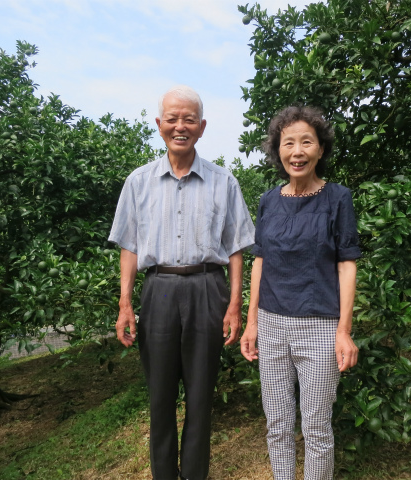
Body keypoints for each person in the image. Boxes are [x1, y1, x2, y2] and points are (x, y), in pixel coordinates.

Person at [109, 85, 255, 480]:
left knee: (200, 396)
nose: (180, 126)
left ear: (202, 126)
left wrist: (234, 305)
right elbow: (129, 247)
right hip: (159, 290)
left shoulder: (224, 182)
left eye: (189, 119)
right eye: (172, 119)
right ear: (159, 125)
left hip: (208, 288)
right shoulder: (138, 182)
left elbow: (238, 247)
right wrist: (125, 303)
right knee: (159, 396)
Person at [240, 105, 362, 480]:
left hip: (321, 328)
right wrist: (251, 322)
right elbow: (260, 262)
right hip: (272, 325)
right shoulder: (268, 201)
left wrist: (344, 330)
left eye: (306, 142)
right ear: (278, 150)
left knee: (316, 428)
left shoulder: (338, 199)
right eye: (288, 143)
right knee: (276, 424)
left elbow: (347, 264)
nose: (297, 151)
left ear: (320, 149)